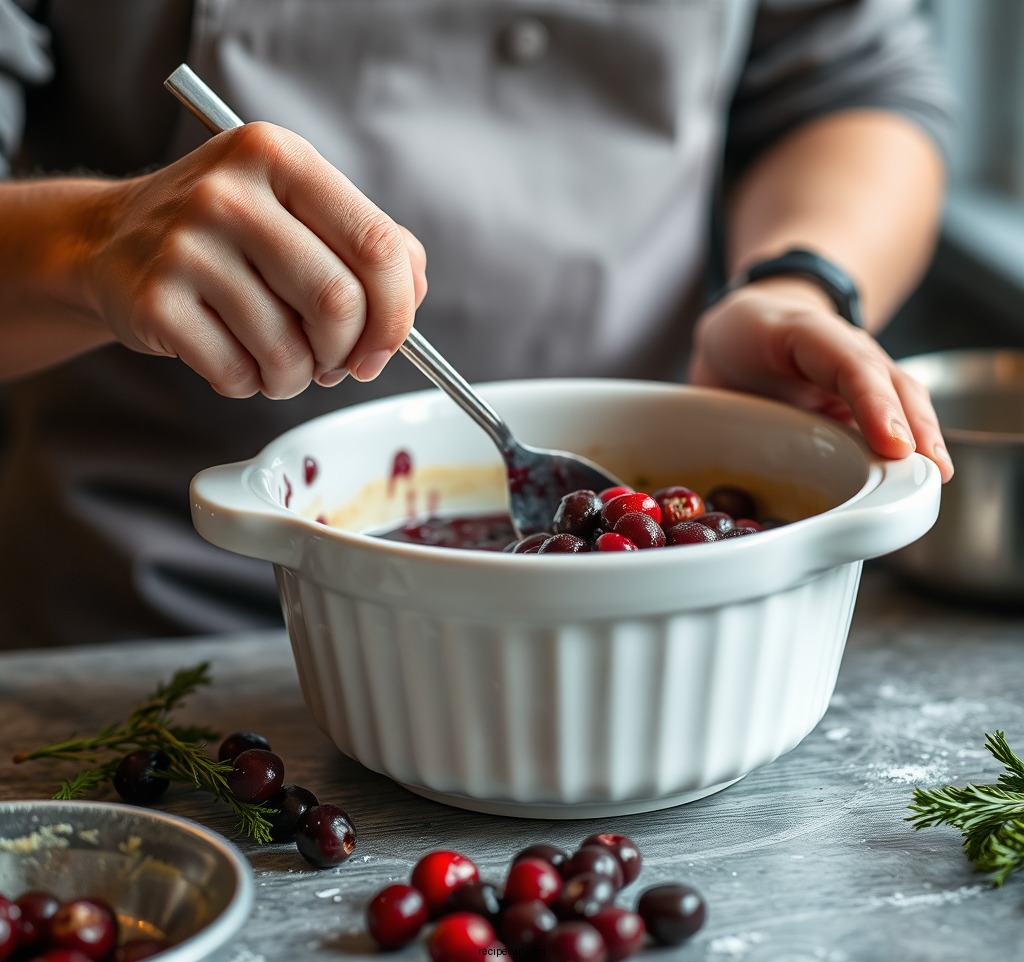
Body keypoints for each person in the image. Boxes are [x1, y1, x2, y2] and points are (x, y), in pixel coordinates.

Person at [0, 0, 955, 648]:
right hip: (145, 617)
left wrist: (794, 281)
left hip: (669, 619)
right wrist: (89, 243)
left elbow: (850, 88)